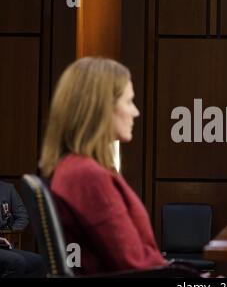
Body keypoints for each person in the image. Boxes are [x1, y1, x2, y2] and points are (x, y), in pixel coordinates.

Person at [39, 57, 167, 275]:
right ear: (102, 108)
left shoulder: (73, 168)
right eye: (129, 102)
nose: (135, 112)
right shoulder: (87, 176)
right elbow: (135, 265)